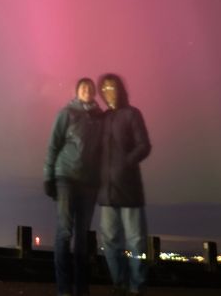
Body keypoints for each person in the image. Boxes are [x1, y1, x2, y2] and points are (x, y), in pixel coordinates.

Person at [44, 77, 103, 296]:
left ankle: (81, 288)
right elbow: (53, 144)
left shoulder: (100, 118)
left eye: (90, 87)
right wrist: (48, 176)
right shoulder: (66, 113)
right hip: (66, 177)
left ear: (94, 92)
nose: (87, 90)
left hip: (89, 182)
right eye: (83, 87)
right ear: (77, 91)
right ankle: (63, 289)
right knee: (64, 231)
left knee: (82, 237)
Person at [96, 73, 151, 295]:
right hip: (106, 193)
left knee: (136, 241)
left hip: (130, 190)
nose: (110, 91)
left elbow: (144, 145)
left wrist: (126, 163)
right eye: (105, 88)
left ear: (121, 89)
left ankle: (137, 285)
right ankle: (119, 282)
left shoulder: (132, 114)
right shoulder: (103, 117)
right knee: (109, 241)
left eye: (113, 87)